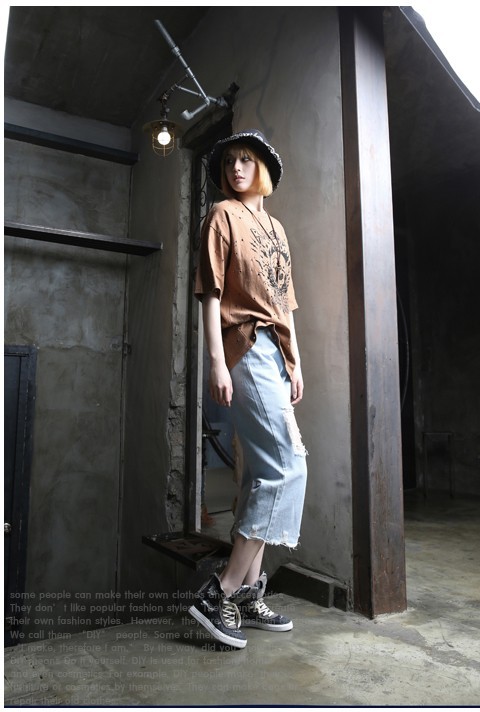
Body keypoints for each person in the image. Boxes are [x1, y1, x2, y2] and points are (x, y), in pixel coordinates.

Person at [189, 129, 308, 649]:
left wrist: (295, 360)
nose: (236, 168)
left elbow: (285, 303)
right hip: (246, 347)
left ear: (262, 170)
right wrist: (217, 362)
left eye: (246, 160)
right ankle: (220, 590)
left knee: (263, 472)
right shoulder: (221, 215)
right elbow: (210, 293)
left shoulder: (277, 229)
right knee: (288, 466)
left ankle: (246, 596)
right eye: (230, 162)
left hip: (276, 353)